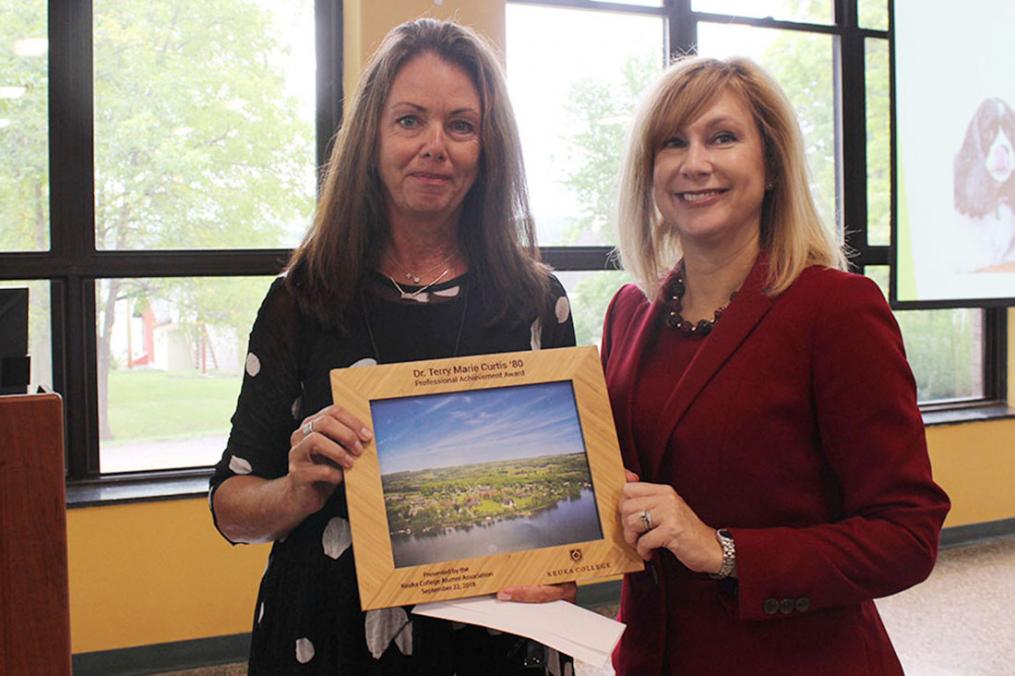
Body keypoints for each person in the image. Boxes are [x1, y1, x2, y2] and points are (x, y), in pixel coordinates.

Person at [209, 18, 577, 674]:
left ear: (488, 147)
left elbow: (562, 521)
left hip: (493, 639)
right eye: (409, 120)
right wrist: (296, 490)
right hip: (330, 636)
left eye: (461, 125)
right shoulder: (303, 299)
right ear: (371, 138)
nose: (435, 146)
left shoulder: (534, 301)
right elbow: (231, 508)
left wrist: (567, 563)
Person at [601, 55, 951, 675]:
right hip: (654, 657)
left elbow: (907, 535)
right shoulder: (629, 311)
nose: (694, 163)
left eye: (722, 137)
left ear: (772, 166)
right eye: (672, 143)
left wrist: (724, 551)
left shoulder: (836, 309)